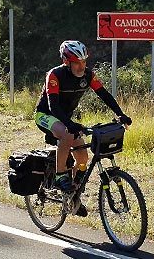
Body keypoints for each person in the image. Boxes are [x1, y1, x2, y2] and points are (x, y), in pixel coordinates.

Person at [34, 40, 132, 216]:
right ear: (66, 61)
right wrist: (70, 125)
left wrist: (120, 114)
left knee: (82, 158)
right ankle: (59, 175)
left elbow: (104, 94)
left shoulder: (88, 75)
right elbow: (53, 106)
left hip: (66, 119)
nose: (81, 66)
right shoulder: (55, 75)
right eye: (77, 62)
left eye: (84, 61)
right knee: (66, 134)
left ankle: (72, 196)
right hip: (45, 116)